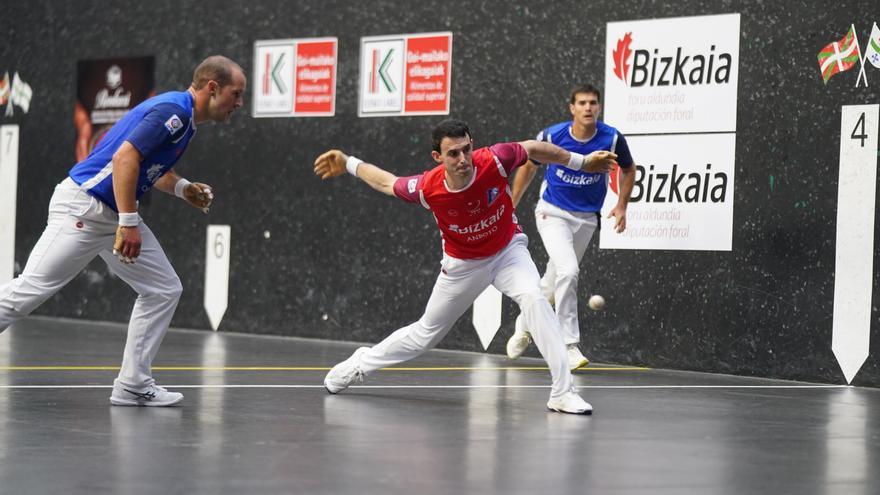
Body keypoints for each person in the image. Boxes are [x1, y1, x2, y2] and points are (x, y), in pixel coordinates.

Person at [313, 119, 618, 414]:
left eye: (466, 149)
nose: (463, 159)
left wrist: (582, 162)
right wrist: (348, 162)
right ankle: (359, 364)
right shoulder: (427, 188)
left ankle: (563, 393)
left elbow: (534, 149)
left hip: (508, 251)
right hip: (463, 266)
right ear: (438, 157)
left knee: (535, 299)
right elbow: (388, 182)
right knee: (425, 335)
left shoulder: (495, 159)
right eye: (453, 153)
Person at [0, 55, 246, 406]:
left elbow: (149, 168)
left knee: (163, 289)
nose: (238, 104)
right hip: (84, 206)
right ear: (212, 88)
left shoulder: (186, 121)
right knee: (30, 291)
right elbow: (124, 159)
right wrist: (128, 222)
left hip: (111, 212)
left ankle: (133, 383)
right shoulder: (173, 113)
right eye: (235, 94)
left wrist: (183, 188)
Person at [506, 84, 635, 370]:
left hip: (587, 218)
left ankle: (523, 324)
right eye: (582, 103)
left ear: (599, 108)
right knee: (569, 271)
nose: (588, 107)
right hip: (552, 212)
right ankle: (568, 344)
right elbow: (528, 166)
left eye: (593, 103)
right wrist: (511, 203)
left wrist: (623, 204)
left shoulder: (612, 138)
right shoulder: (553, 136)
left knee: (553, 282)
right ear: (572, 108)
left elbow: (629, 168)